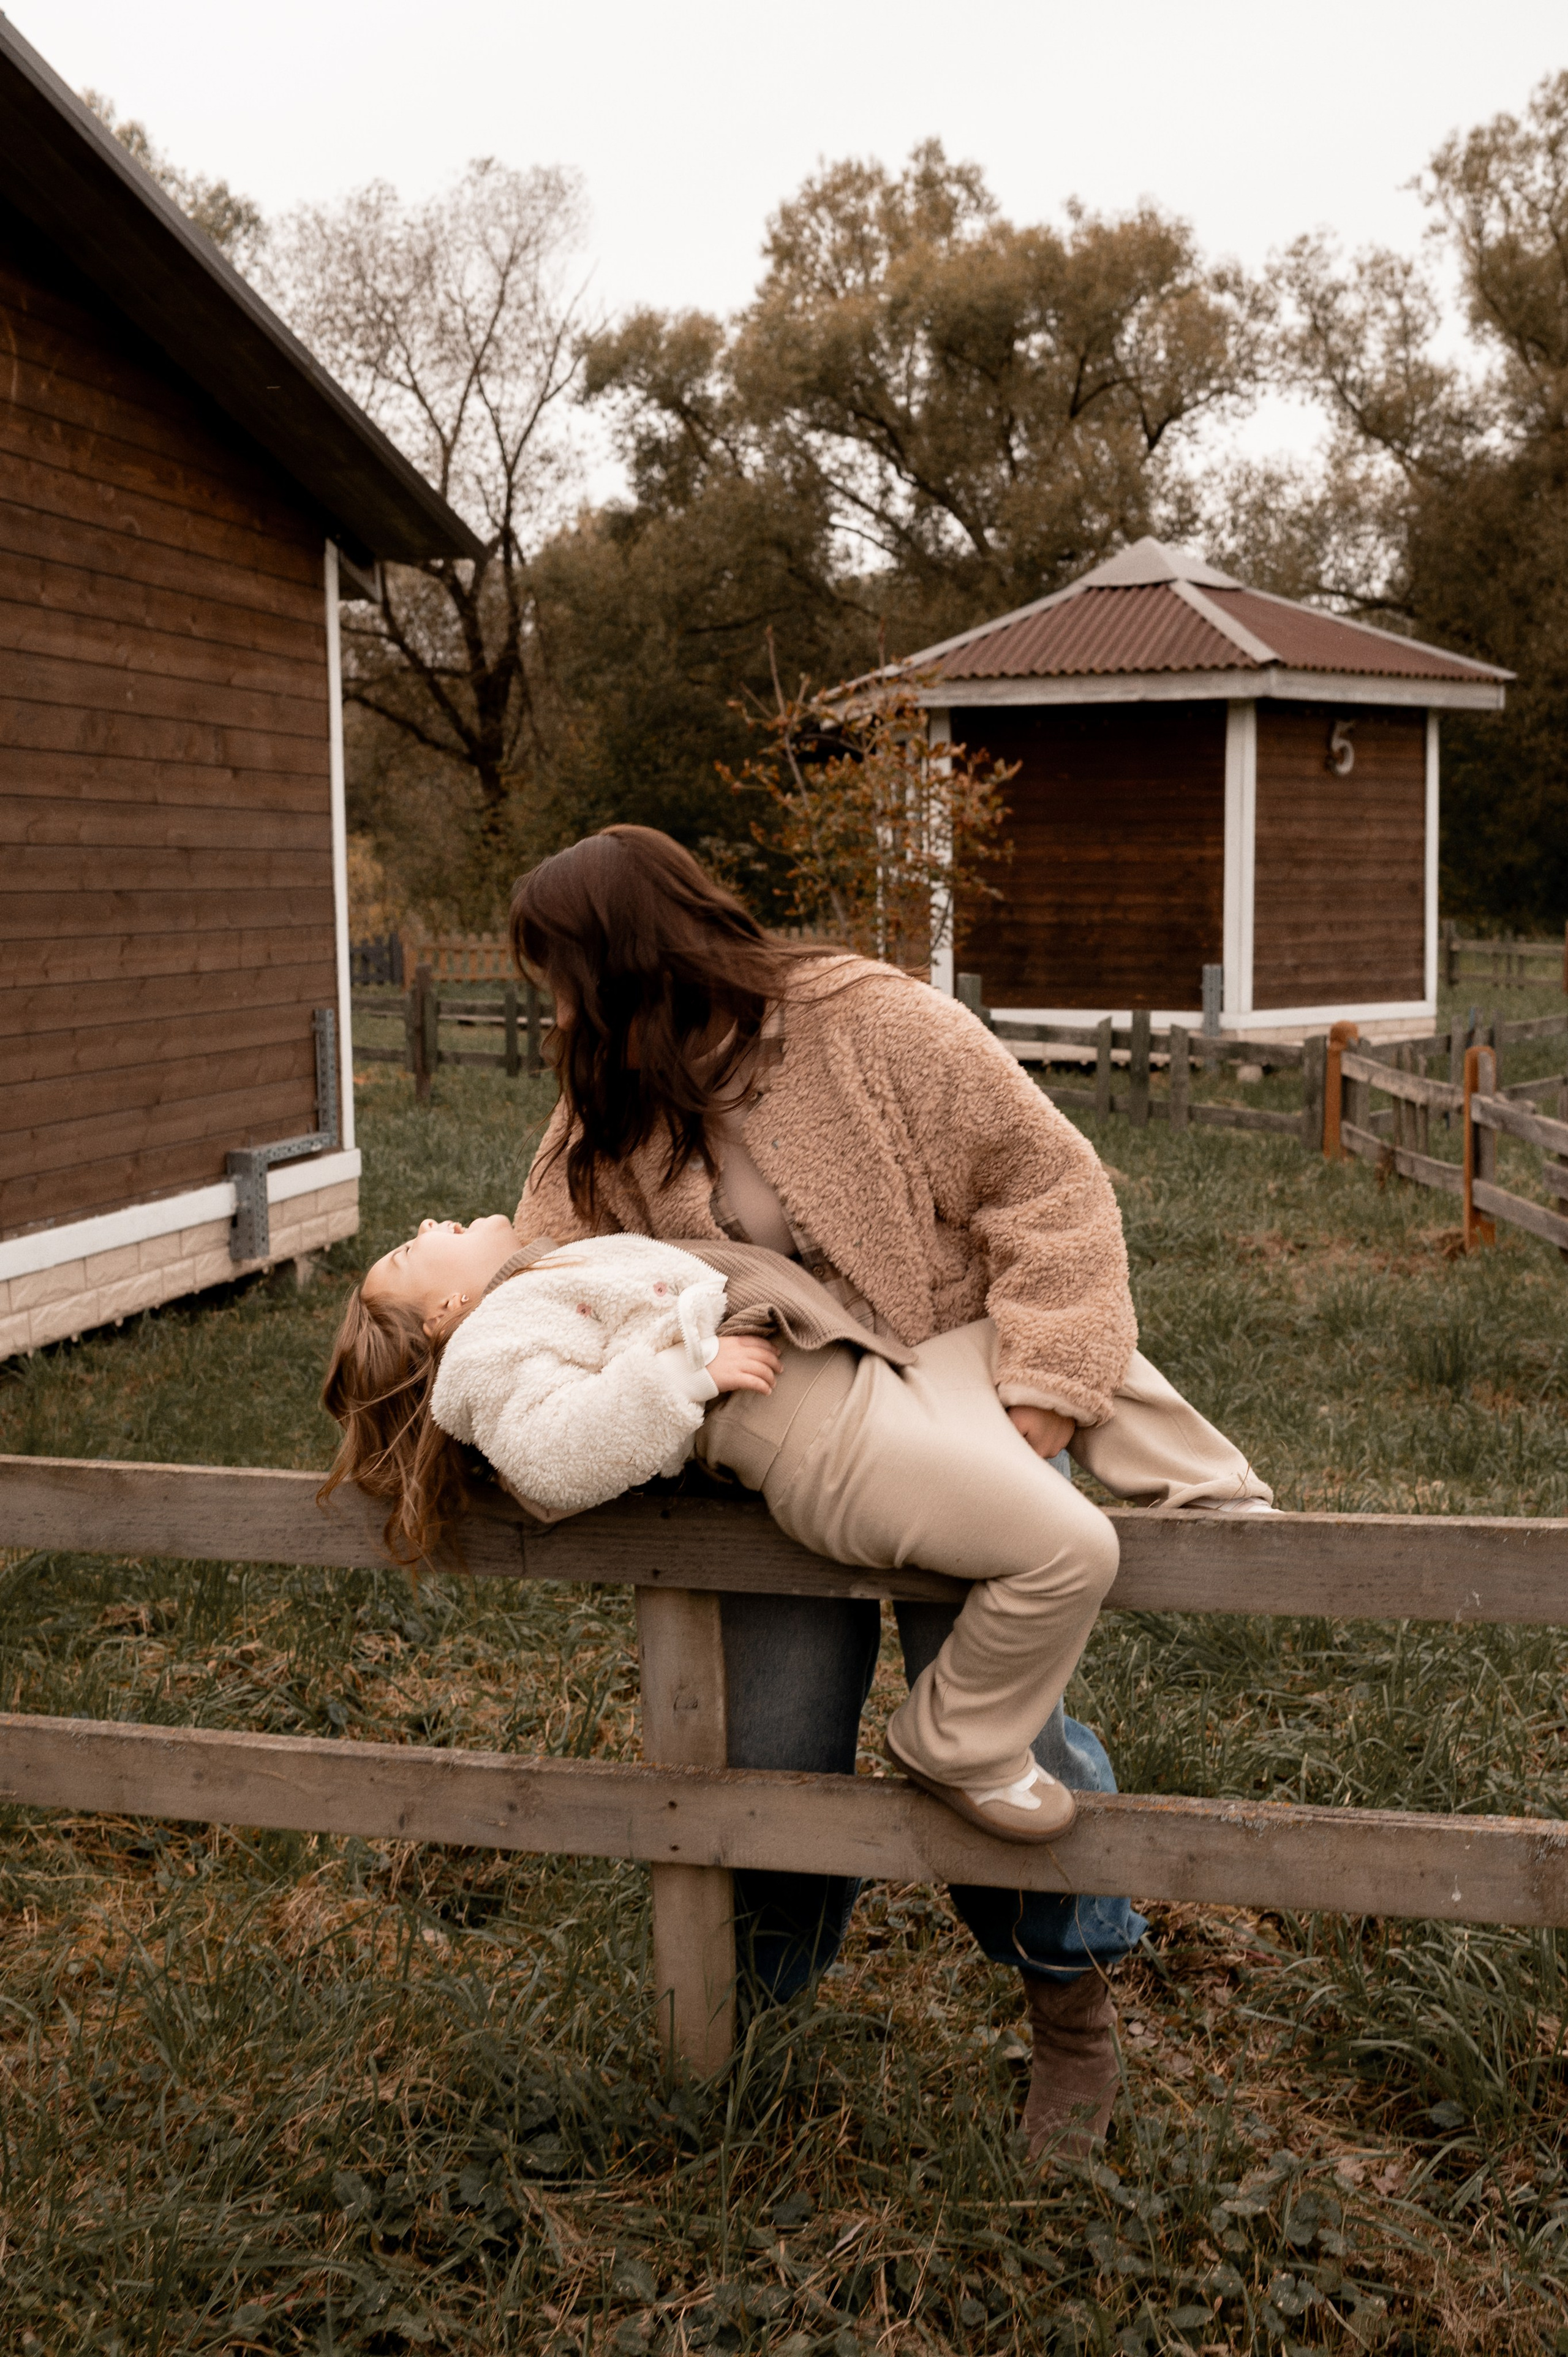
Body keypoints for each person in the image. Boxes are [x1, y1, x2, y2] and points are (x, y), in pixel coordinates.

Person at [322, 1218, 1107, 1842]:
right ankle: (948, 1750)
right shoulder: (488, 1346)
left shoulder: (530, 1283)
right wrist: (684, 1374)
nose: (425, 1220)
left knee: (1031, 1408)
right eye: (406, 1247)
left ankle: (1212, 1485)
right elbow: (554, 1451)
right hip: (811, 1434)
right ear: (446, 1315)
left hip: (851, 1381)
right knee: (1065, 1550)